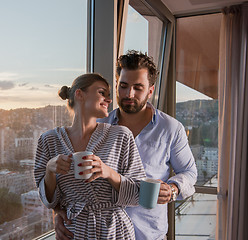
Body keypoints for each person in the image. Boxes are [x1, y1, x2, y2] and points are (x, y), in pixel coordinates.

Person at [54, 51, 198, 240]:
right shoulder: (97, 123)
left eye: (138, 87)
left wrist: (173, 189)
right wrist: (60, 213)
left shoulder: (170, 128)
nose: (129, 94)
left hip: (148, 235)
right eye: (123, 86)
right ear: (116, 85)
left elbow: (189, 172)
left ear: (150, 90)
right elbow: (71, 179)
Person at [34, 73, 146, 239]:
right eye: (102, 93)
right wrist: (50, 170)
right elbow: (48, 199)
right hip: (73, 231)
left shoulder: (121, 135)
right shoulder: (49, 140)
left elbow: (140, 194)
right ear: (79, 94)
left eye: (109, 95)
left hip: (114, 231)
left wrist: (107, 172)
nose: (108, 100)